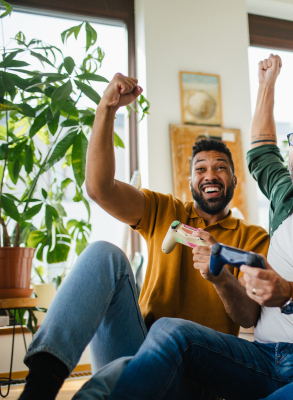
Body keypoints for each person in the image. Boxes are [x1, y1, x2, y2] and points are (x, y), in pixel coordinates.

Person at [99, 54, 293, 400]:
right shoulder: (285, 197)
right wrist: (266, 84)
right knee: (168, 332)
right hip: (261, 356)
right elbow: (263, 149)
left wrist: (290, 291)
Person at [19, 74, 270, 400]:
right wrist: (106, 109)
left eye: (220, 167)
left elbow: (249, 316)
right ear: (190, 180)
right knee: (102, 254)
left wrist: (220, 275)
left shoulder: (251, 238)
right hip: (137, 351)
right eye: (200, 168)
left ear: (235, 180)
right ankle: (40, 385)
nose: (210, 174)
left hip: (199, 376)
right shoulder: (163, 210)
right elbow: (99, 188)